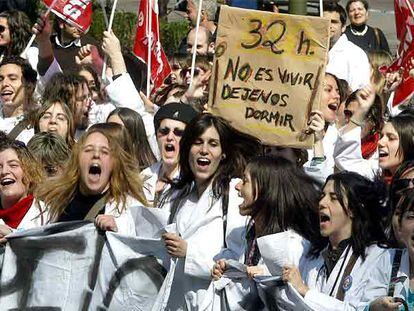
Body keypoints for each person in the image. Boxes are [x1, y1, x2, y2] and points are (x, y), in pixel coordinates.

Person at [156, 113, 260, 310]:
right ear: (187, 149)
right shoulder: (175, 195)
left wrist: (189, 253)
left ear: (223, 154)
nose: (204, 150)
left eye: (213, 144)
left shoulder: (233, 193)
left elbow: (238, 262)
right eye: (198, 142)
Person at [212, 156, 322, 309]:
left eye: (245, 180)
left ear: (266, 190)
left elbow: (293, 300)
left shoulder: (292, 246)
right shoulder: (252, 234)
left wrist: (268, 277)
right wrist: (229, 271)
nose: (237, 186)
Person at [282, 171, 388, 310]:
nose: (322, 203)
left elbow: (359, 310)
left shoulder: (378, 257)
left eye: (333, 198)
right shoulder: (313, 256)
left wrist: (306, 292)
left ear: (353, 209)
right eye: (322, 196)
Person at [35, 123, 148, 235]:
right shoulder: (57, 200)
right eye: (88, 150)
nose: (96, 155)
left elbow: (144, 241)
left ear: (114, 163)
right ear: (77, 159)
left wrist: (119, 229)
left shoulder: (129, 208)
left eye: (104, 152)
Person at [359, 190, 414, 311]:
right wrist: (374, 307)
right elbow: (362, 306)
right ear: (399, 227)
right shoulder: (389, 259)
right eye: (411, 217)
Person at [140, 103, 198, 204]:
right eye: (164, 131)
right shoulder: (143, 177)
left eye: (179, 133)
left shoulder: (195, 183)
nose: (170, 137)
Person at [0, 137, 46, 243]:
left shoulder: (50, 216)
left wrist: (14, 238)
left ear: (29, 172)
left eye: (13, 165)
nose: (4, 171)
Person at [324, 1, 370, 91]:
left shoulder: (355, 54)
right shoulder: (309, 48)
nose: (329, 25)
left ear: (343, 27)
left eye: (333, 22)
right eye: (325, 21)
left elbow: (358, 91)